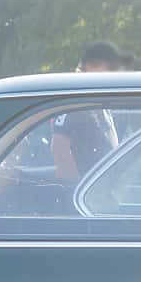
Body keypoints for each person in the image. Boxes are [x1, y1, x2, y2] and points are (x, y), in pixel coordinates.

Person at [52, 41, 122, 181]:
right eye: (108, 66)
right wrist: (78, 190)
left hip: (101, 187)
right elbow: (59, 149)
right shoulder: (74, 100)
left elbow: (113, 144)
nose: (113, 71)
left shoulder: (99, 98)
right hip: (82, 192)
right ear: (92, 66)